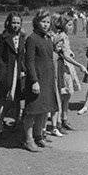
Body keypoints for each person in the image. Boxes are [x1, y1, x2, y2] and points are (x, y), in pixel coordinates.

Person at [20, 10, 59, 153]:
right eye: (43, 21)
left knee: (44, 109)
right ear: (36, 22)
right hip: (36, 80)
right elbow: (29, 62)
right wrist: (34, 81)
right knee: (32, 110)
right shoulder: (32, 39)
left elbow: (49, 57)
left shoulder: (47, 38)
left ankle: (38, 136)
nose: (46, 24)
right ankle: (28, 140)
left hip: (47, 79)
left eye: (48, 22)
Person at [0, 13, 24, 132]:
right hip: (6, 72)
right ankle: (0, 124)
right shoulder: (2, 37)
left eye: (18, 23)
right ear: (8, 22)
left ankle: (17, 122)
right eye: (13, 22)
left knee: (18, 99)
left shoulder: (22, 37)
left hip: (19, 72)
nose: (15, 25)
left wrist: (23, 70)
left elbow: (23, 56)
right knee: (4, 99)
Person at [51, 17, 87, 135]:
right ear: (63, 25)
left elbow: (67, 51)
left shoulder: (65, 36)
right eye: (69, 25)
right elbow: (64, 55)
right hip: (63, 68)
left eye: (72, 25)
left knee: (67, 95)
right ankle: (58, 124)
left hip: (68, 68)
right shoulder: (61, 36)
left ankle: (64, 119)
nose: (72, 27)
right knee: (62, 95)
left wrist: (71, 52)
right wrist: (79, 65)